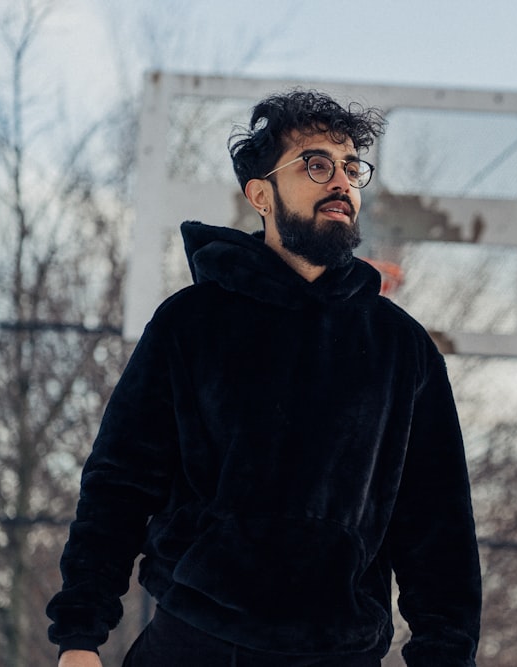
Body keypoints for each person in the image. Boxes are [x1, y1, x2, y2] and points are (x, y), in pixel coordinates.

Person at [46, 89, 482, 667]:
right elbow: (119, 482)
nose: (342, 182)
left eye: (352, 167)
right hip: (196, 642)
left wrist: (445, 654)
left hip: (340, 650)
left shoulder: (401, 346)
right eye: (317, 163)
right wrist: (80, 634)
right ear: (260, 194)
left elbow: (437, 522)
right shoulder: (192, 321)